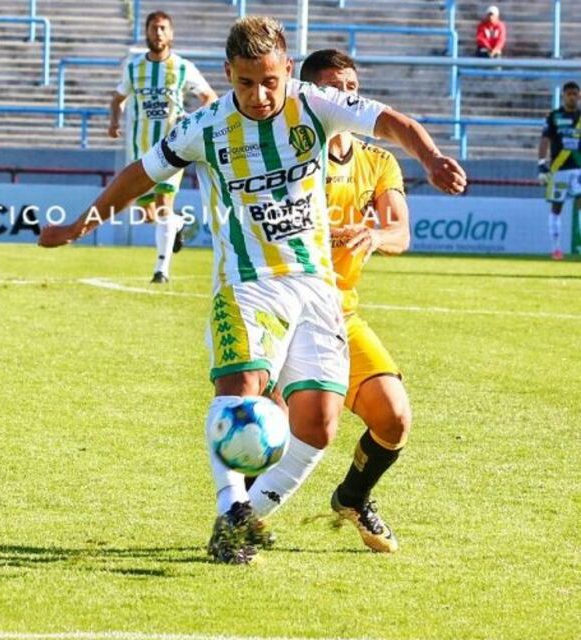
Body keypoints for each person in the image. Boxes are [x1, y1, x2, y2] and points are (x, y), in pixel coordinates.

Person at [40, 16, 465, 564]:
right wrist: (82, 224)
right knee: (242, 388)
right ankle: (229, 506)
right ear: (228, 74)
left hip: (316, 288)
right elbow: (140, 174)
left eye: (269, 81)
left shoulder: (315, 103)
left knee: (319, 424)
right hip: (247, 284)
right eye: (245, 83)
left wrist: (430, 158)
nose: (259, 95)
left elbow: (393, 123)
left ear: (287, 68)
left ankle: (245, 521)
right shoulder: (206, 125)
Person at [299, 49, 411, 553]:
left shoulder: (378, 160)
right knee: (274, 429)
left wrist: (375, 236)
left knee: (393, 417)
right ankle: (242, 516)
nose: (346, 96)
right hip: (286, 309)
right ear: (309, 96)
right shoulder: (290, 157)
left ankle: (352, 497)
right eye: (332, 87)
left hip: (341, 314)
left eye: (351, 86)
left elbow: (400, 231)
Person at [109, 10, 218, 284]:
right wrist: (114, 122)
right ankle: (177, 223)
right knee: (148, 215)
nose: (158, 33)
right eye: (154, 28)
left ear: (171, 34)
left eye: (162, 28)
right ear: (146, 32)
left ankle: (161, 270)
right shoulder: (134, 67)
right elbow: (118, 98)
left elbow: (209, 97)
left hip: (171, 149)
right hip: (140, 150)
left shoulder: (182, 67)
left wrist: (192, 120)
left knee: (163, 204)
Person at [538, 81, 580, 260]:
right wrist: (541, 164)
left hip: (579, 169)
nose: (572, 97)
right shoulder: (554, 116)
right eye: (569, 94)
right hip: (559, 169)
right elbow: (545, 139)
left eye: (575, 94)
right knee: (556, 207)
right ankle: (555, 248)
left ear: (579, 96)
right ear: (563, 96)